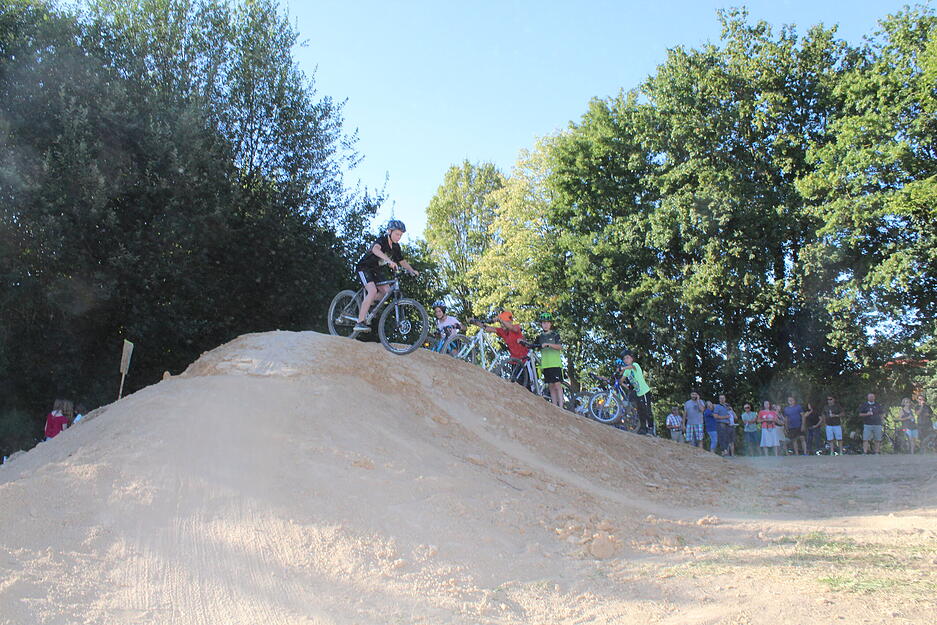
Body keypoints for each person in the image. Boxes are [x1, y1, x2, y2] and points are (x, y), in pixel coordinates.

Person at [353, 220, 418, 332]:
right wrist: (389, 261)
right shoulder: (382, 240)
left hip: (376, 270)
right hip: (364, 267)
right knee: (372, 291)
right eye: (397, 234)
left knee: (387, 291)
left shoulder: (396, 247)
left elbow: (402, 261)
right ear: (389, 231)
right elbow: (375, 249)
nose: (399, 237)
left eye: (401, 235)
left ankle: (367, 302)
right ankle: (359, 322)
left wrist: (411, 270)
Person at [473, 310, 529, 385]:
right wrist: (475, 322)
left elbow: (513, 328)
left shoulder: (516, 327)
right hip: (514, 362)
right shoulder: (502, 331)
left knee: (528, 386)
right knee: (516, 384)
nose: (502, 325)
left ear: (509, 322)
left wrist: (500, 319)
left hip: (525, 361)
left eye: (504, 322)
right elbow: (487, 328)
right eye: (501, 323)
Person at [529, 312, 564, 407]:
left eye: (547, 323)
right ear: (541, 324)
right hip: (545, 364)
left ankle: (561, 407)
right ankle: (554, 406)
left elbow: (560, 347)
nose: (545, 325)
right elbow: (533, 346)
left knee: (557, 385)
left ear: (550, 324)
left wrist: (549, 345)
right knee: (551, 386)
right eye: (544, 323)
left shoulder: (555, 335)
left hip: (555, 364)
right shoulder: (539, 337)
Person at [620, 349, 653, 435]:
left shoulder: (635, 365)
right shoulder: (627, 371)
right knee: (640, 411)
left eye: (627, 358)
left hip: (645, 392)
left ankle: (651, 428)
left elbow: (631, 367)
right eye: (624, 359)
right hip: (638, 393)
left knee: (647, 410)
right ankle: (643, 429)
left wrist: (622, 368)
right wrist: (621, 383)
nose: (626, 360)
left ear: (632, 358)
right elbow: (621, 381)